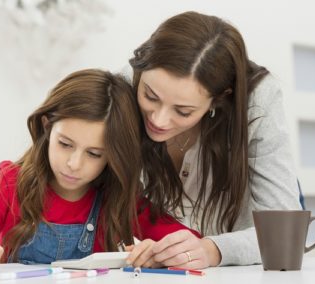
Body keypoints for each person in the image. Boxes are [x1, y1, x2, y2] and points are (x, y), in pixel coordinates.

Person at [0, 69, 200, 271]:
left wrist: (160, 253)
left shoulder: (119, 198)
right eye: (65, 144)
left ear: (113, 157)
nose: (74, 164)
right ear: (47, 126)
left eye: (94, 154)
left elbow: (190, 243)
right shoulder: (10, 183)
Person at [126, 11, 301, 269]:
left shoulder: (258, 101)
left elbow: (284, 233)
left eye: (183, 111)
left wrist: (212, 250)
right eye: (150, 96)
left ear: (219, 98)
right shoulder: (122, 88)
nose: (159, 120)